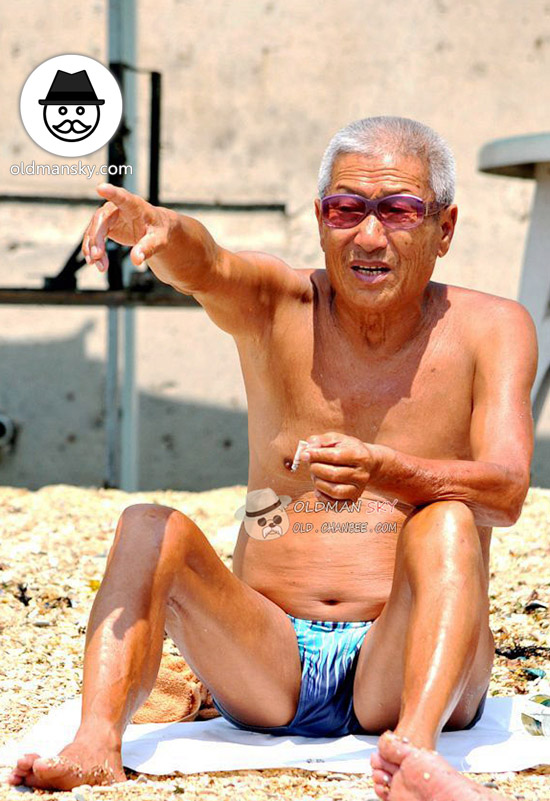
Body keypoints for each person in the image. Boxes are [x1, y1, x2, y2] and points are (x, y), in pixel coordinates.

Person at [9, 116, 537, 800]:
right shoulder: (279, 306)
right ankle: (94, 745)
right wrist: (163, 233)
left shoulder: (492, 328)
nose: (369, 236)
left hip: (404, 659)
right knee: (147, 524)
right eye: (347, 209)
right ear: (321, 220)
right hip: (266, 661)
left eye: (399, 210)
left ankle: (413, 755)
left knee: (450, 523)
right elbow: (211, 263)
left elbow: (508, 489)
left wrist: (386, 469)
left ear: (445, 227)